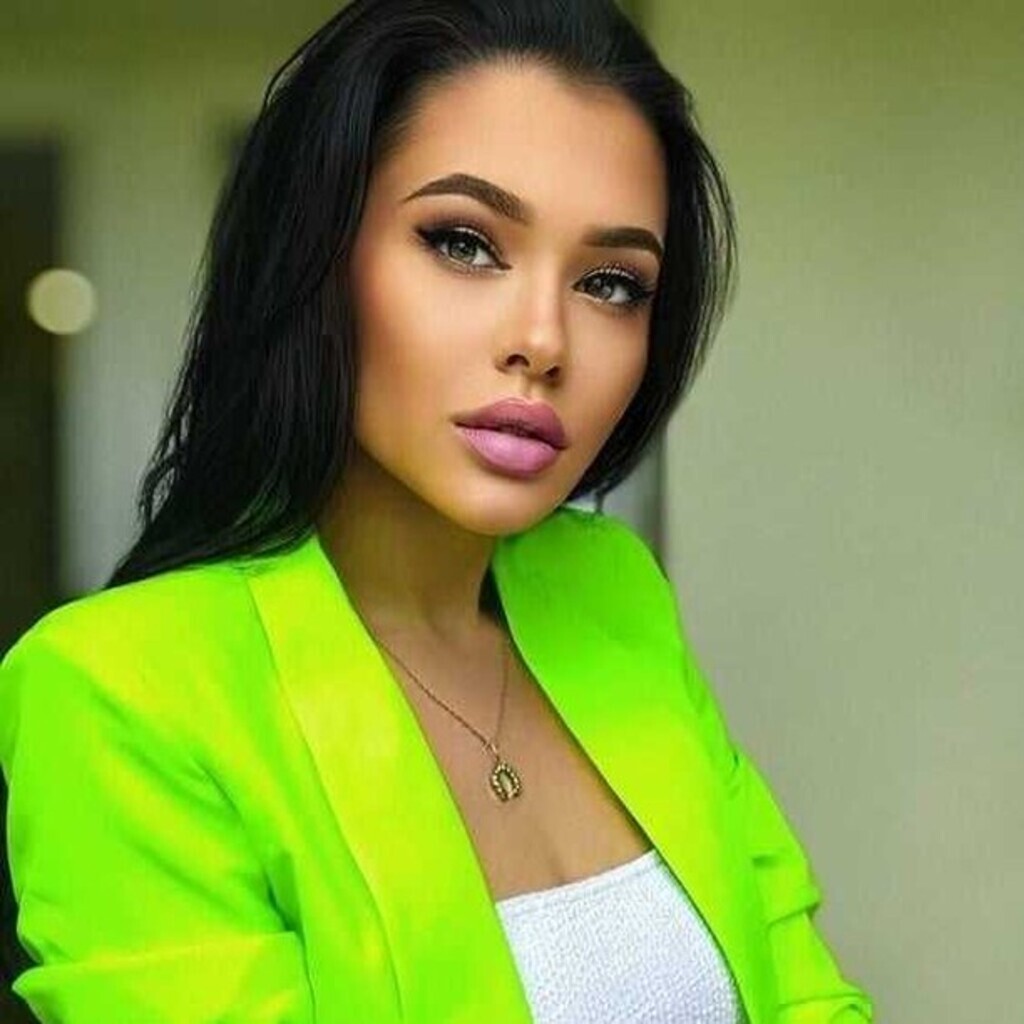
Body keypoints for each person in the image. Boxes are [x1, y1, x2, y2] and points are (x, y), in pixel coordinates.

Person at [0, 1, 875, 1021]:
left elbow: (808, 995)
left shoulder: (612, 592)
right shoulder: (120, 693)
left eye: (610, 283)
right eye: (463, 243)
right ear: (317, 255)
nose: (543, 339)